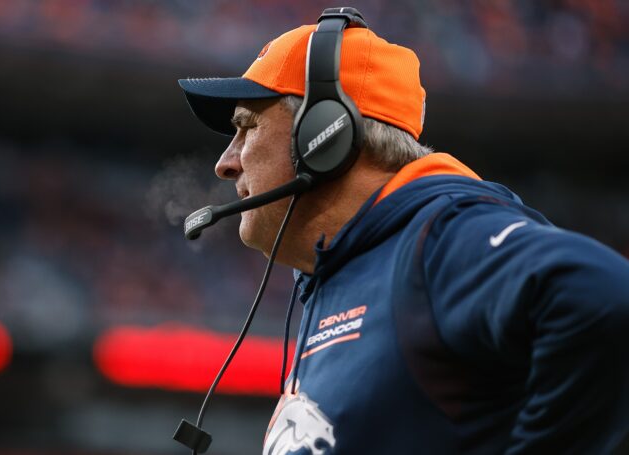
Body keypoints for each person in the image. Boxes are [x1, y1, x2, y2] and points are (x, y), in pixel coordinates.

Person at [177, 13, 629, 455]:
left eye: (246, 127)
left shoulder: (440, 235)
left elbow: (604, 296)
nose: (226, 162)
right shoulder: (342, 271)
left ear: (323, 136)